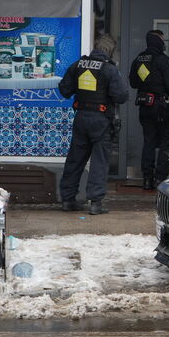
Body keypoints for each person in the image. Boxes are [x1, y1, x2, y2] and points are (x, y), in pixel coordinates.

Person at [58, 34, 129, 215]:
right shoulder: (109, 69)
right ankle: (95, 203)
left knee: (75, 159)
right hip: (101, 120)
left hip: (81, 118)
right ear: (110, 51)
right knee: (99, 161)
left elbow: (64, 90)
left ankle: (68, 200)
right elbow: (121, 96)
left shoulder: (78, 65)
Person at [129, 30, 169, 190]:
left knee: (149, 142)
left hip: (145, 107)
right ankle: (160, 179)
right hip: (163, 108)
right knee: (166, 143)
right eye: (162, 39)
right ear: (158, 40)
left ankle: (147, 179)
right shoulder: (164, 61)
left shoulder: (138, 59)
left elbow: (133, 82)